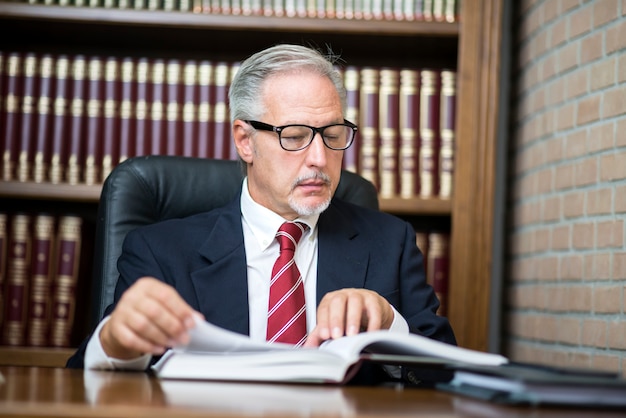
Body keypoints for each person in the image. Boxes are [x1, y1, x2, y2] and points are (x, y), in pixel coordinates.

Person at [67, 44, 456, 384]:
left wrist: (390, 324)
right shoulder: (161, 249)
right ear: (245, 141)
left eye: (333, 135)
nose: (319, 159)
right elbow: (84, 378)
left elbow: (446, 377)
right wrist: (116, 341)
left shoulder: (390, 241)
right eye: (295, 136)